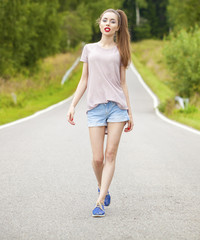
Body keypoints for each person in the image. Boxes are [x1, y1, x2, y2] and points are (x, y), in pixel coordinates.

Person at [66, 8, 134, 217]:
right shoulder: (89, 49)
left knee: (110, 155)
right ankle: (101, 186)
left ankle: (99, 201)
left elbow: (123, 83)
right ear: (100, 23)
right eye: (105, 20)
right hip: (95, 108)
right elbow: (84, 79)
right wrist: (73, 104)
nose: (108, 23)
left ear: (118, 27)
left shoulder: (120, 51)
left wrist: (130, 113)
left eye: (113, 21)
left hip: (116, 108)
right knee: (97, 159)